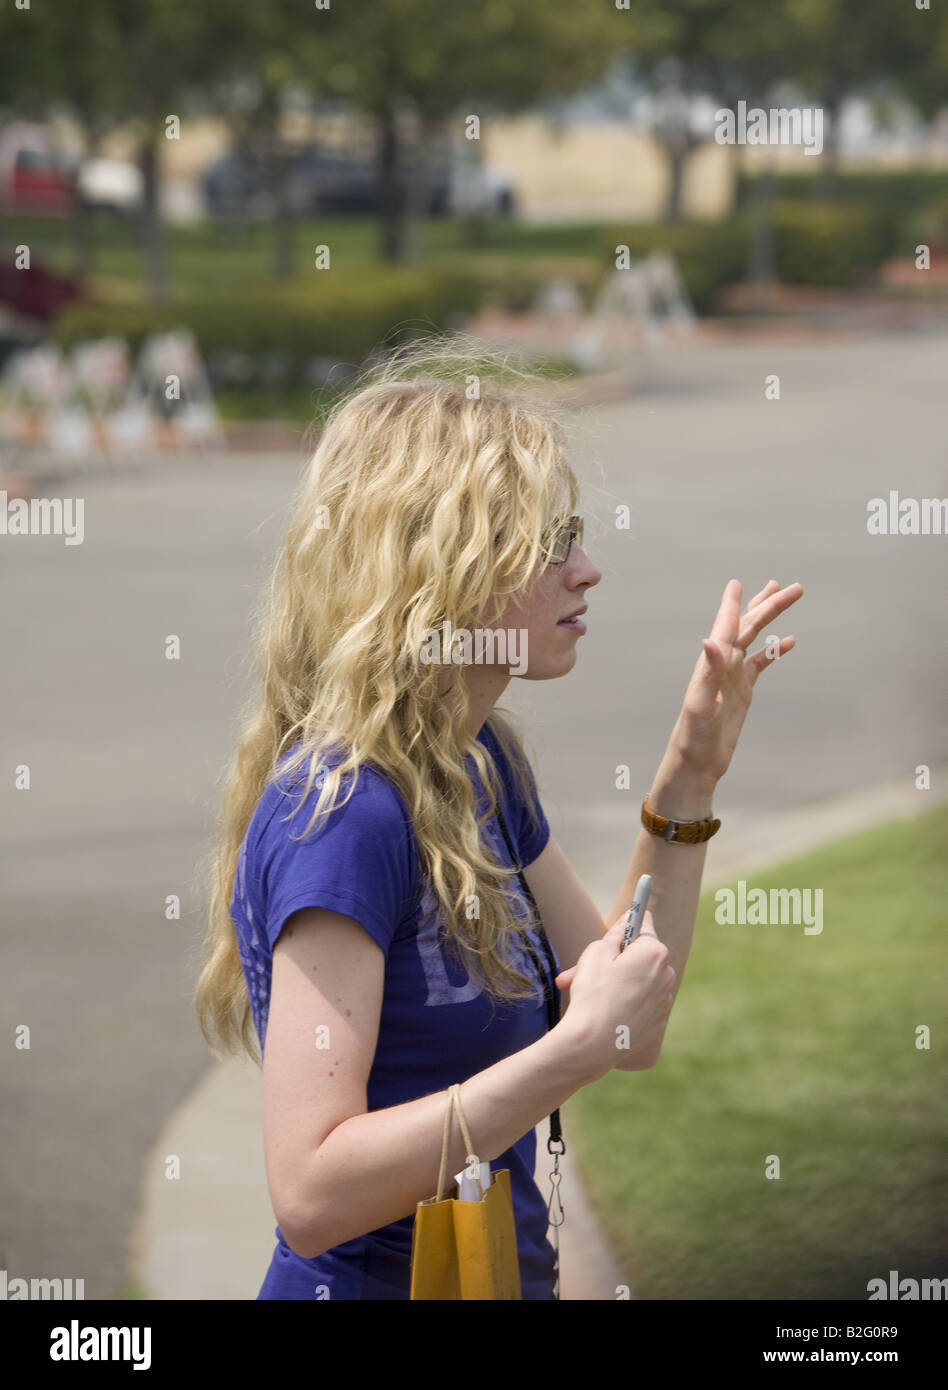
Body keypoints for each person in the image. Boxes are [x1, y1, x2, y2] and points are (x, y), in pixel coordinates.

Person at [193, 335, 803, 1300]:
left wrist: (688, 780)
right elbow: (310, 1190)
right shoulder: (345, 813)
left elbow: (629, 1026)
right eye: (552, 542)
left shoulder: (480, 765)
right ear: (443, 568)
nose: (588, 569)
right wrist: (565, 1056)